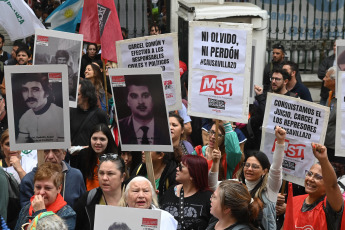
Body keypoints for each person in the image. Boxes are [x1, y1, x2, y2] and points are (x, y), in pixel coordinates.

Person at [284, 144, 344, 229]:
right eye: (309, 174)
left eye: (318, 177)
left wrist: (323, 160)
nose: (311, 179)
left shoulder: (331, 205)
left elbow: (332, 186)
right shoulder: (294, 201)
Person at [237, 126, 286, 229]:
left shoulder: (270, 190)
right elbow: (213, 185)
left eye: (255, 166)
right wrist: (215, 163)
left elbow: (276, 168)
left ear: (264, 171)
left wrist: (280, 142)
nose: (249, 169)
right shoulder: (236, 185)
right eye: (247, 165)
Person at [14, 162, 76, 230]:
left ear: (59, 189)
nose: (41, 192)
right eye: (38, 187)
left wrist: (40, 213)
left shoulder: (67, 214)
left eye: (47, 188)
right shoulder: (26, 208)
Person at [74, 153, 125, 230]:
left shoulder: (133, 198)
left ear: (122, 177)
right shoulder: (88, 199)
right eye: (101, 173)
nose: (104, 178)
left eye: (110, 174)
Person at [160, 155, 212, 230]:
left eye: (181, 167)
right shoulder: (171, 190)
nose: (177, 169)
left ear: (193, 174)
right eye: (178, 166)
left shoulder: (208, 198)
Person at [20, 149, 85, 208]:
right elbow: (26, 215)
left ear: (64, 154)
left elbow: (82, 207)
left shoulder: (76, 176)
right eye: (46, 151)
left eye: (55, 151)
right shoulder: (28, 180)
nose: (50, 156)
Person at [118, 77, 170, 145]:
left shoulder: (167, 126)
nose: (140, 102)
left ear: (153, 99)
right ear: (127, 101)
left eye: (145, 95)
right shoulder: (120, 127)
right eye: (134, 96)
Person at [16, 73, 64, 143]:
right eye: (25, 90)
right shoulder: (25, 117)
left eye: (35, 90)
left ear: (47, 93)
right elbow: (20, 143)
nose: (29, 95)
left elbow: (62, 147)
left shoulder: (60, 115)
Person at [72, 124, 118, 191]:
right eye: (94, 139)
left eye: (102, 139)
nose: (98, 142)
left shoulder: (115, 159)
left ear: (109, 141)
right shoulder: (83, 155)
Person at [69, 80, 108, 147]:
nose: (75, 97)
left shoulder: (100, 114)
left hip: (92, 156)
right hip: (74, 156)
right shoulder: (71, 113)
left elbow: (106, 139)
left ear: (86, 96)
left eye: (78, 94)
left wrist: (88, 148)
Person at [318, 41, 335, 106]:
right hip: (325, 94)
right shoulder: (327, 59)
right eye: (334, 45)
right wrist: (328, 73)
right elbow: (320, 73)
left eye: (336, 46)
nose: (335, 47)